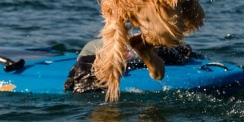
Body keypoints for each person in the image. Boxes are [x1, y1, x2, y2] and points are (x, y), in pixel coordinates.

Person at [64, 36, 200, 93]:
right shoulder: (89, 56)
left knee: (176, 52)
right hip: (104, 52)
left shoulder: (117, 53)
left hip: (138, 46)